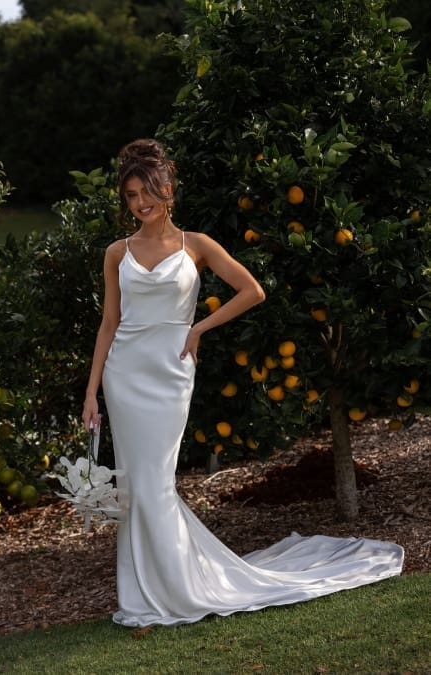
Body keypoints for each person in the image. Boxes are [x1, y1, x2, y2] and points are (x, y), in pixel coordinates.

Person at [82, 138, 403, 628]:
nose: (140, 203)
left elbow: (253, 290)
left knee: (156, 483)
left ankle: (179, 592)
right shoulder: (116, 252)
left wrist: (199, 328)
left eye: (147, 191)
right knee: (136, 484)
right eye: (130, 195)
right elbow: (108, 324)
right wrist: (91, 392)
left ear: (168, 188)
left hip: (171, 370)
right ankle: (145, 596)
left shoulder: (198, 245)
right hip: (124, 373)